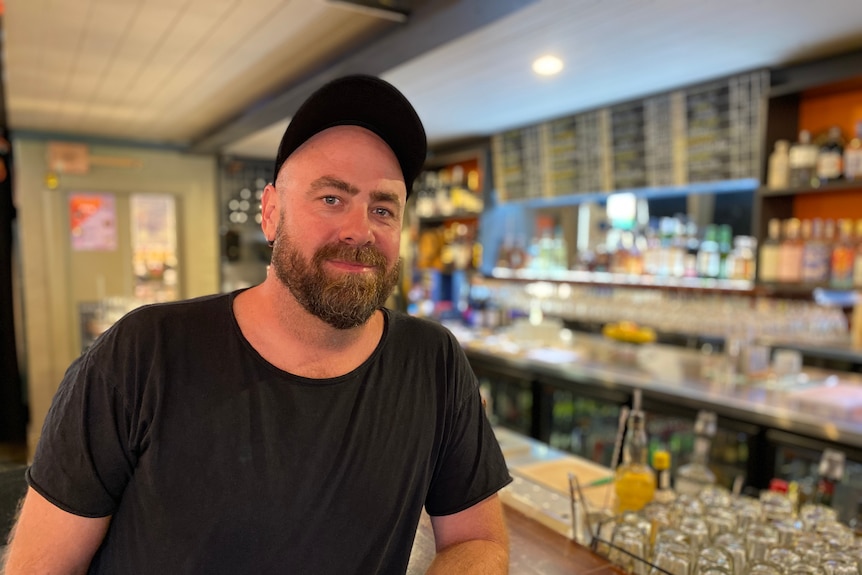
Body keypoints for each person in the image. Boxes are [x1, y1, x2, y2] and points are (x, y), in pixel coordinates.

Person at [3, 75, 512, 574]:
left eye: (383, 208)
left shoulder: (433, 362)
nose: (360, 230)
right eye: (331, 198)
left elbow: (479, 540)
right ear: (271, 214)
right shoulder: (141, 354)